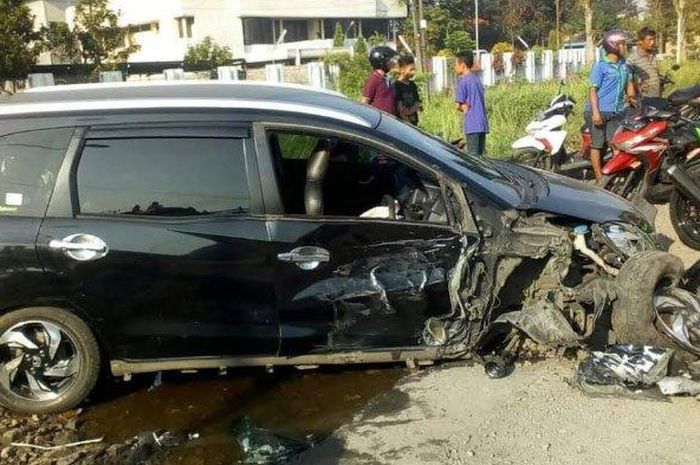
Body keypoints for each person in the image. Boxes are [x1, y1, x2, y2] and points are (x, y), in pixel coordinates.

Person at [585, 30, 637, 185]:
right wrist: (595, 112)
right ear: (613, 45)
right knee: (597, 144)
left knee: (616, 143)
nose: (625, 46)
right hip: (598, 110)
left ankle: (616, 174)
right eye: (622, 43)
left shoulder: (624, 65)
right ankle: (599, 178)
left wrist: (633, 98)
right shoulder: (601, 66)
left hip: (616, 111)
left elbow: (629, 87)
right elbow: (592, 90)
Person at [454, 51, 489, 156]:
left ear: (463, 65)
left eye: (455, 65)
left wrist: (462, 107)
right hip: (482, 124)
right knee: (481, 158)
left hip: (472, 125)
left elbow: (457, 105)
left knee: (474, 159)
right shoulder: (477, 80)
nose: (454, 68)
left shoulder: (463, 82)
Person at [362, 46, 398, 115]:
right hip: (380, 121)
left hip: (390, 120)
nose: (392, 63)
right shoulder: (373, 79)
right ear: (382, 62)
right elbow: (364, 102)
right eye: (390, 61)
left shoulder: (386, 79)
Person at [628, 26, 662, 98]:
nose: (652, 42)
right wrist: (637, 86)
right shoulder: (632, 59)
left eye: (654, 39)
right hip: (644, 100)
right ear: (640, 41)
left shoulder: (653, 54)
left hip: (657, 97)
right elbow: (626, 79)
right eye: (649, 40)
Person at [395, 55, 422, 126]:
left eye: (414, 69)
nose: (413, 72)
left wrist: (409, 111)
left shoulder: (412, 84)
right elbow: (400, 108)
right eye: (411, 70)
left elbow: (417, 103)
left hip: (414, 121)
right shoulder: (397, 85)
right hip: (403, 124)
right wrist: (406, 120)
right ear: (402, 70)